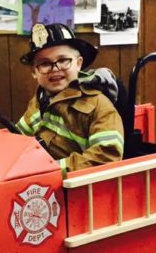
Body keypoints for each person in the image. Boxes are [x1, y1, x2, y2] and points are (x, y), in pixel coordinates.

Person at [17, 23, 124, 173]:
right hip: (44, 186)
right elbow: (18, 139)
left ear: (79, 63)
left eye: (63, 60)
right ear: (34, 71)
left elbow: (106, 156)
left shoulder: (99, 105)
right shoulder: (39, 100)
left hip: (83, 189)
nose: (55, 69)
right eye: (45, 64)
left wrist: (51, 169)